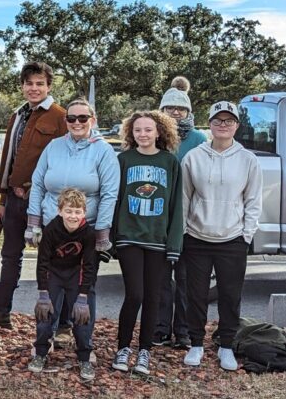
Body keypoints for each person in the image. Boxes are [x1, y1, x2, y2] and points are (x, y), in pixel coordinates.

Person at [0, 62, 67, 329]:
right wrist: (2, 201)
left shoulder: (60, 117)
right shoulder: (18, 115)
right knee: (10, 256)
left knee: (51, 259)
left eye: (39, 84)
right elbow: (7, 160)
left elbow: (65, 161)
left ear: (48, 86)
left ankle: (57, 323)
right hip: (14, 199)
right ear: (22, 86)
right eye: (29, 83)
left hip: (44, 202)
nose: (34, 88)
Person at [26, 98, 119, 342]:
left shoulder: (103, 150)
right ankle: (47, 336)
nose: (76, 123)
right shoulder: (54, 146)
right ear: (65, 121)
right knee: (51, 281)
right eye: (71, 118)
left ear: (93, 120)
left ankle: (83, 343)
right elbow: (37, 184)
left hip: (85, 230)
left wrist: (102, 233)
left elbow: (110, 194)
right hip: (53, 225)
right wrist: (33, 224)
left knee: (84, 285)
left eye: (82, 118)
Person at [182, 101, 262, 371]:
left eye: (229, 121)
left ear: (237, 126)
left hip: (232, 239)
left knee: (230, 295)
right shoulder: (194, 156)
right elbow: (184, 197)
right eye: (218, 120)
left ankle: (226, 346)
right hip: (196, 236)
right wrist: (182, 231)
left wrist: (246, 236)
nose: (223, 125)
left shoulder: (248, 160)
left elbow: (253, 201)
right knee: (195, 294)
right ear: (210, 124)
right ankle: (195, 344)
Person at [111, 110, 183, 376]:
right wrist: (111, 236)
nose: (143, 134)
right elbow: (115, 199)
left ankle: (145, 351)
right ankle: (123, 348)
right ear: (131, 133)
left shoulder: (170, 162)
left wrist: (174, 243)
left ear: (159, 132)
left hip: (158, 240)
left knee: (154, 297)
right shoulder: (123, 160)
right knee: (135, 294)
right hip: (129, 237)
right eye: (138, 130)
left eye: (148, 129)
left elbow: (177, 207)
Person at [153, 76, 207, 349]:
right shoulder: (155, 138)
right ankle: (160, 327)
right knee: (162, 277)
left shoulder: (199, 139)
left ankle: (183, 331)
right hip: (160, 217)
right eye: (170, 108)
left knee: (186, 278)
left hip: (190, 217)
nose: (176, 112)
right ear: (161, 110)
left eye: (181, 108)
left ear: (188, 111)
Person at [28, 188, 97, 381]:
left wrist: (83, 296)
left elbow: (89, 266)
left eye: (77, 212)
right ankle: (41, 352)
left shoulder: (89, 234)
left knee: (82, 317)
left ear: (84, 212)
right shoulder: (51, 230)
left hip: (77, 275)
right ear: (60, 211)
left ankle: (84, 357)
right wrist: (43, 292)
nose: (73, 216)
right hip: (54, 275)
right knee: (45, 314)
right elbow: (42, 263)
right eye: (68, 211)